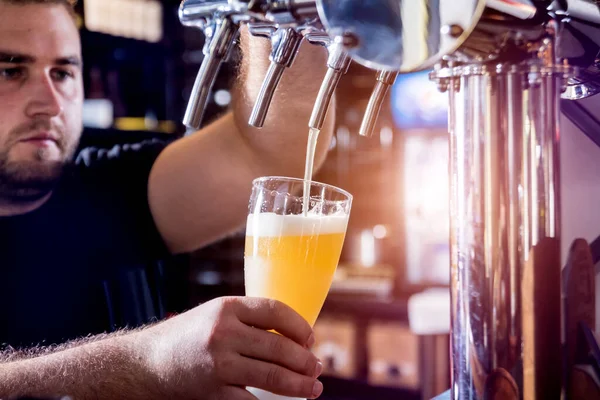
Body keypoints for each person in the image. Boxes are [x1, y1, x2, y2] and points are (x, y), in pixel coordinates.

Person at [0, 0, 335, 398]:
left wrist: (275, 15)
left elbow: (275, 150)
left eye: (63, 72)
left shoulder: (106, 190)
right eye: (11, 71)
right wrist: (144, 363)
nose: (51, 104)